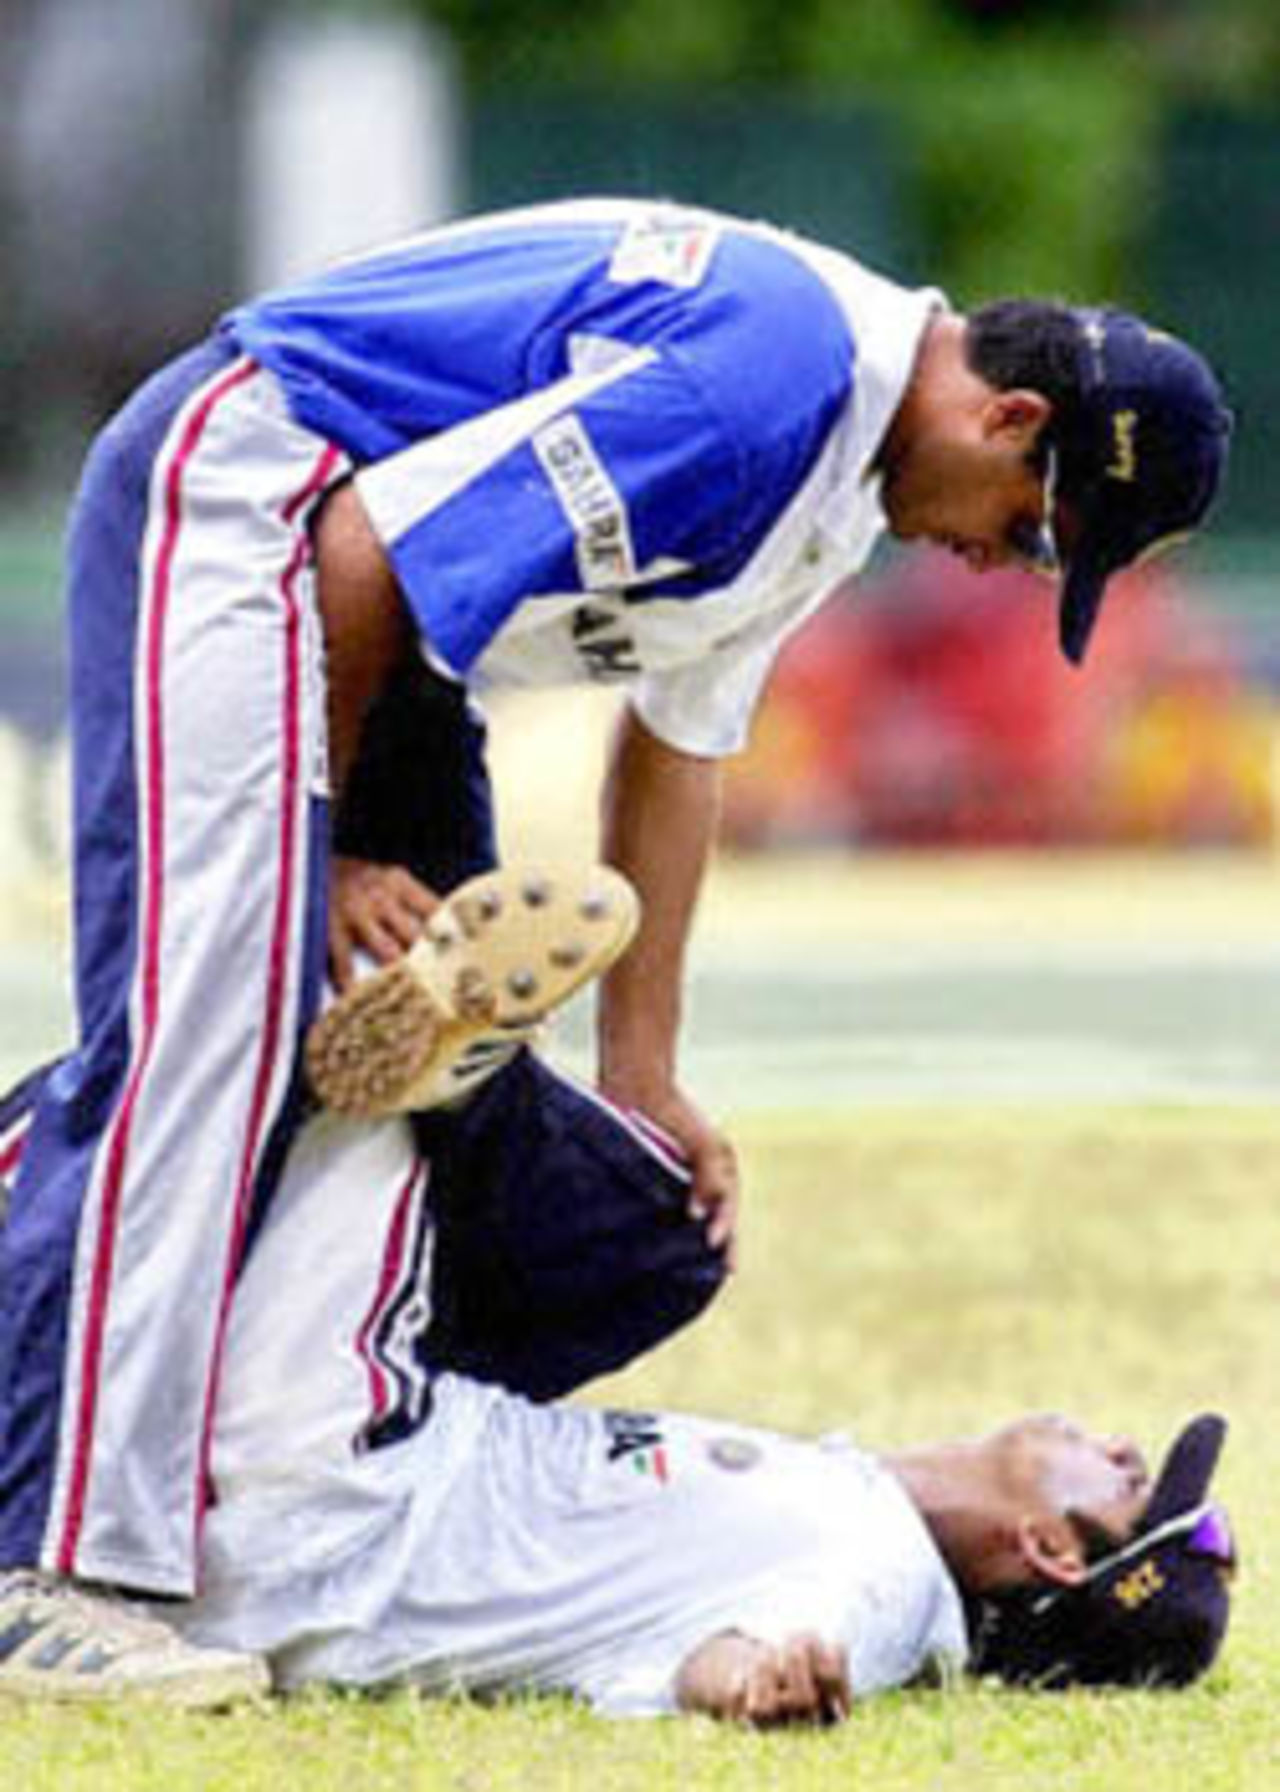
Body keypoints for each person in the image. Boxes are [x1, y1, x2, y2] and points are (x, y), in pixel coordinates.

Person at [0, 197, 1232, 1659]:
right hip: (250, 512)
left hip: (384, 634)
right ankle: (60, 1578)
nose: (1006, 565)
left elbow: (676, 746)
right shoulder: (768, 391)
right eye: (1034, 532)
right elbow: (362, 544)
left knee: (621, 1217)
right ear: (1009, 416)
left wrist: (642, 1073)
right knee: (223, 1039)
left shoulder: (836, 472)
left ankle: (233, 1421)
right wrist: (331, 851)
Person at [0, 1078, 1237, 1713]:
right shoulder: (853, 1505)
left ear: (1045, 1552)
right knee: (256, 1070)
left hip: (334, 1493)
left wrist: (757, 1680)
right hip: (338, 1470)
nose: (1120, 1440)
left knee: (361, 1050)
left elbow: (755, 1654)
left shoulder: (880, 1581)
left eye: (1125, 1482)